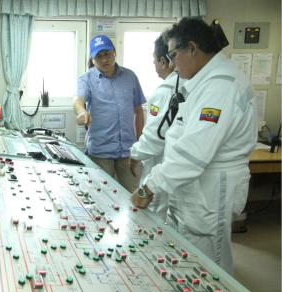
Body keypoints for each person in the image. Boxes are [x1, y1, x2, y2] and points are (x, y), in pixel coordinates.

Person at [131, 18, 257, 273]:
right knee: (187, 250)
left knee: (210, 260)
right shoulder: (203, 83)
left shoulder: (220, 86)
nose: (172, 63)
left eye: (174, 54)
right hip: (195, 184)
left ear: (192, 48)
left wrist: (149, 187)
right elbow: (179, 135)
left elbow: (193, 153)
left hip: (212, 187)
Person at [73, 34, 146, 192]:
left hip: (129, 151)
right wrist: (82, 112)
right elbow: (78, 100)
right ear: (93, 60)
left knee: (133, 196)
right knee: (102, 198)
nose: (104, 60)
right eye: (98, 56)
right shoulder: (86, 79)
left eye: (106, 54)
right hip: (100, 151)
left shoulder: (130, 76)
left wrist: (140, 142)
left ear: (114, 52)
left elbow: (139, 111)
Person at [129, 33, 181, 221]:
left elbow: (154, 137)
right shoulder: (189, 86)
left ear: (163, 61)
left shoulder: (165, 91)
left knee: (152, 217)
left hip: (160, 166)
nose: (154, 66)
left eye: (154, 61)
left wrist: (134, 155)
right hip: (175, 171)